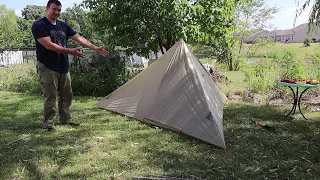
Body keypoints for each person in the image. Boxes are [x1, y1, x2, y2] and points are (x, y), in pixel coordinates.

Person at [32, 0, 109, 132]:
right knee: (51, 96)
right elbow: (49, 45)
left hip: (63, 65)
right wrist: (70, 51)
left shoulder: (63, 26)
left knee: (67, 95)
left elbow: (79, 38)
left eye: (59, 10)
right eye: (54, 9)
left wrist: (95, 47)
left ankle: (65, 120)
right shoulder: (39, 25)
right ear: (47, 8)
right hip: (47, 66)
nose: (56, 12)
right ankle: (49, 124)